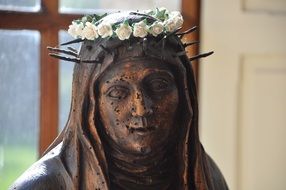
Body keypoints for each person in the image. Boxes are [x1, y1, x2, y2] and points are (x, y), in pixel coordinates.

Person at [10, 8, 228, 190]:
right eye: (117, 93)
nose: (141, 108)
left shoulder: (205, 177)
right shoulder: (42, 185)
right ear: (89, 102)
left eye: (159, 85)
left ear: (184, 92)